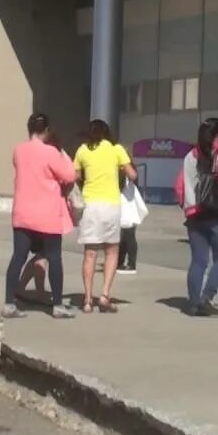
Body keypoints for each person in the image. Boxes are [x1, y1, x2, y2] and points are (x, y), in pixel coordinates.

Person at [3, 113, 77, 319]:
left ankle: (9, 303)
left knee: (18, 256)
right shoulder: (51, 153)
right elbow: (70, 175)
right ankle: (58, 306)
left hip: (22, 213)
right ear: (46, 131)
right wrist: (61, 154)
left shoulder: (18, 150)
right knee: (54, 258)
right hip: (48, 214)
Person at [174, 117, 218, 318]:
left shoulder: (190, 156)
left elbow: (179, 186)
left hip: (195, 216)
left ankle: (194, 302)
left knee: (198, 260)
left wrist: (186, 205)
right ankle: (207, 297)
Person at [72, 119, 137, 314]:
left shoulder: (82, 150)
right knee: (111, 251)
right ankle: (104, 295)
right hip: (111, 205)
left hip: (90, 205)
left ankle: (86, 300)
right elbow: (133, 175)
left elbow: (74, 176)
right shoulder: (116, 149)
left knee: (90, 253)